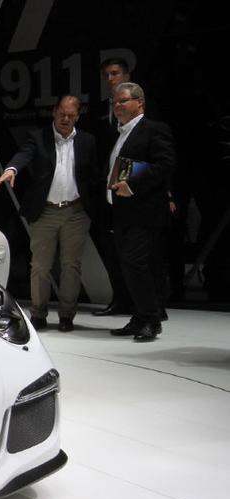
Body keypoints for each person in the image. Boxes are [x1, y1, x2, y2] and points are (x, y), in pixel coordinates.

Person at [0, 95, 98, 332]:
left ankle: (67, 316)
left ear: (77, 117)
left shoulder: (87, 141)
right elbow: (24, 154)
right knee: (40, 265)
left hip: (76, 211)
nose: (65, 119)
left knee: (71, 265)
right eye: (62, 113)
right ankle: (38, 314)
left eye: (70, 115)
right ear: (54, 112)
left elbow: (93, 174)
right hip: (46, 211)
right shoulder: (38, 137)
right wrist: (12, 169)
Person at [106, 82, 176, 342]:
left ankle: (151, 319)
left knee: (138, 265)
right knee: (129, 266)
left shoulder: (154, 129)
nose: (117, 106)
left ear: (140, 103)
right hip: (123, 211)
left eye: (123, 101)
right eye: (115, 102)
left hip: (144, 212)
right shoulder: (120, 133)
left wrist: (133, 185)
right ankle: (139, 317)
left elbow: (165, 165)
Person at [93, 57, 135, 317]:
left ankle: (148, 304)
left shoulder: (142, 110)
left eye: (115, 73)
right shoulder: (99, 109)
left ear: (127, 75)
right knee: (111, 247)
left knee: (137, 249)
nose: (110, 79)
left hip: (134, 187)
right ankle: (120, 299)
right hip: (106, 188)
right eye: (106, 75)